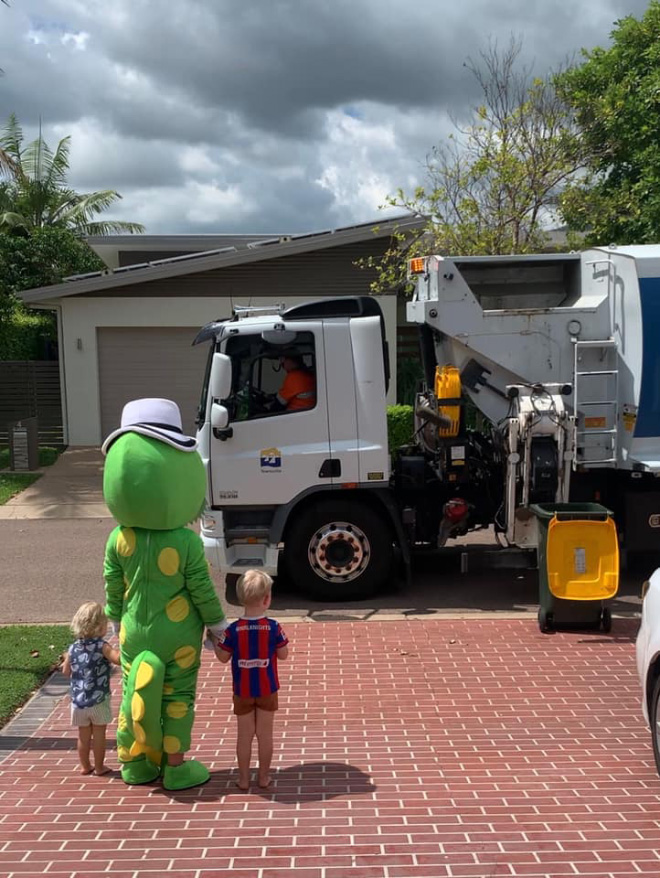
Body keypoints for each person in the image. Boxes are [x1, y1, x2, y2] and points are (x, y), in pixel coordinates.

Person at [212, 570, 289, 791]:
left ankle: (243, 779)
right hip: (267, 688)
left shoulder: (233, 630)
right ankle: (263, 777)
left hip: (242, 690)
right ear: (267, 599)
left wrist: (214, 639)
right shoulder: (273, 627)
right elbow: (284, 655)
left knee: (244, 736)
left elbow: (223, 657)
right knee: (265, 736)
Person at [62, 601, 120, 776]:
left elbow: (65, 672)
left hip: (78, 701)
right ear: (101, 626)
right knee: (99, 734)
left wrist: (68, 659)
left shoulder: (73, 648)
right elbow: (117, 659)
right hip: (98, 699)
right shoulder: (102, 646)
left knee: (83, 735)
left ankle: (85, 766)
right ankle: (100, 767)